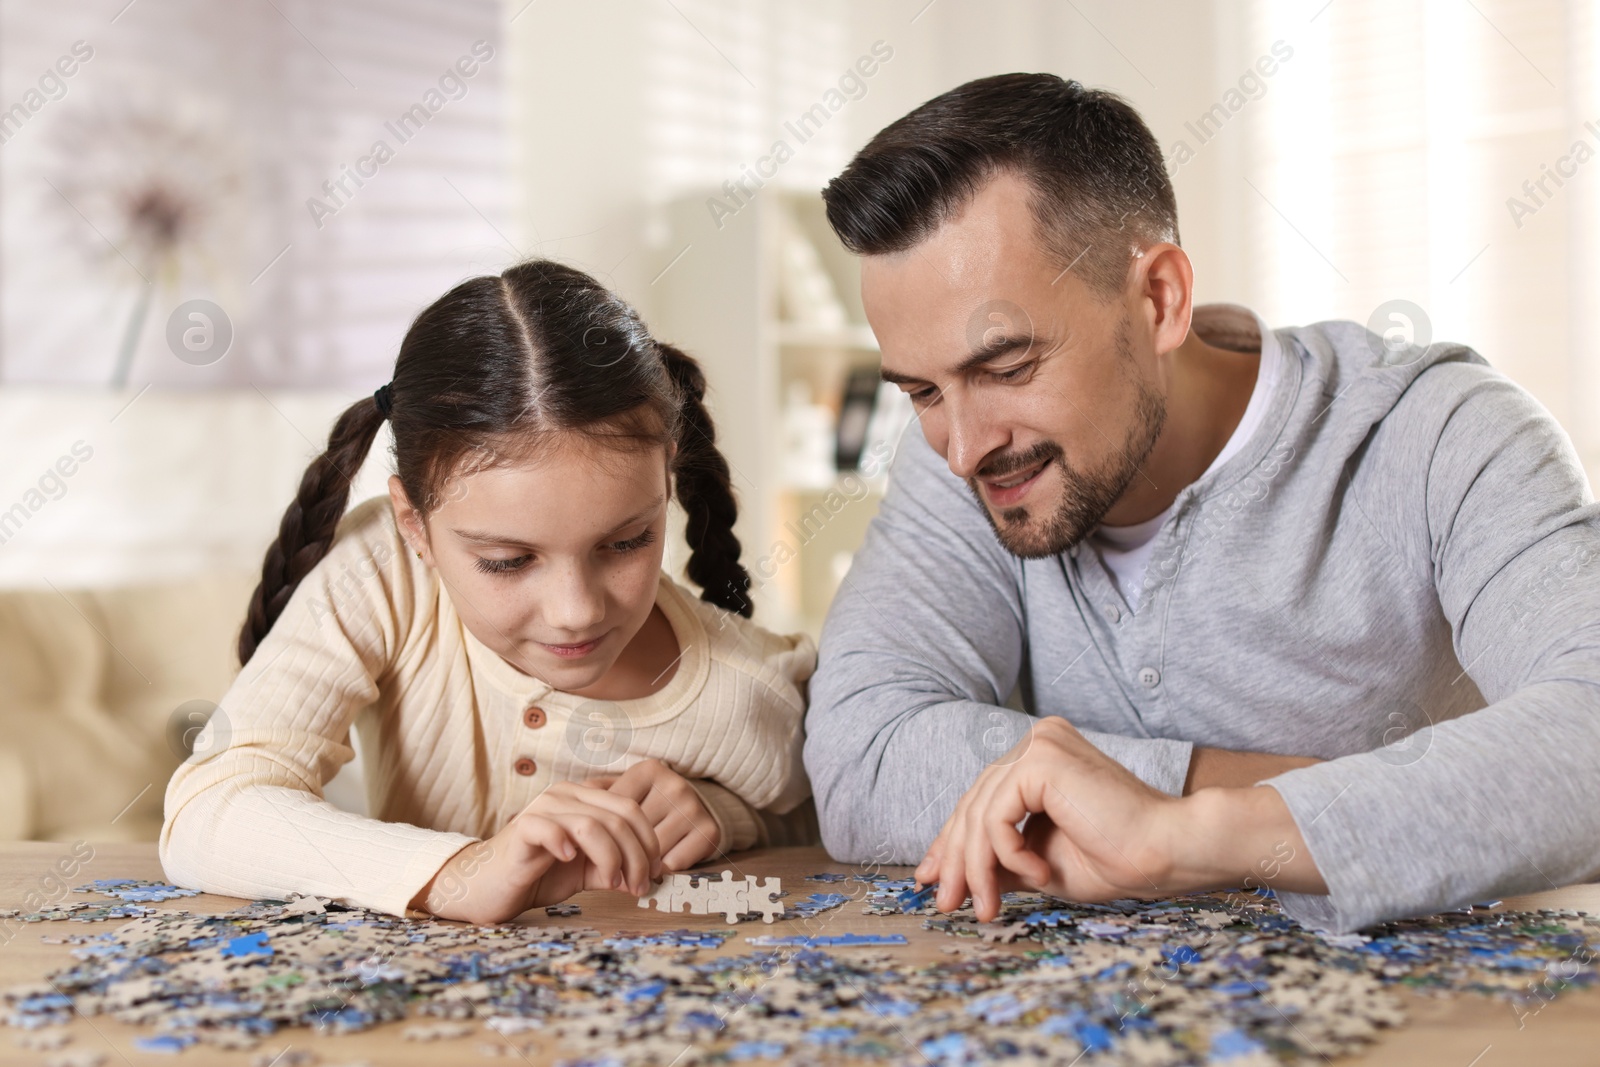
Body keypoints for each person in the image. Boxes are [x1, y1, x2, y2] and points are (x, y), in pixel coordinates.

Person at [803, 73, 1600, 934]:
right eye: (922, 390)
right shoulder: (971, 463)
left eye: (1006, 367)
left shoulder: (1445, 434)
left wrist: (1186, 834)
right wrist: (1309, 794)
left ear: (1159, 300)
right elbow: (864, 755)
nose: (961, 446)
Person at [161, 260, 816, 923]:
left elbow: (841, 833)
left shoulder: (747, 689)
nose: (576, 610)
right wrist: (461, 872)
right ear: (414, 523)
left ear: (666, 486)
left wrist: (726, 815)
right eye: (507, 560)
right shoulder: (387, 571)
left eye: (625, 543)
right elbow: (210, 808)